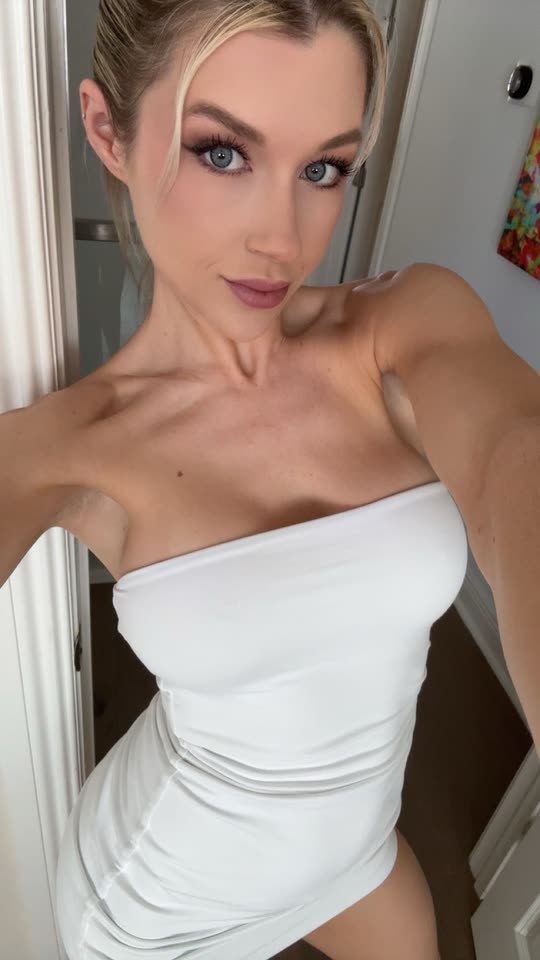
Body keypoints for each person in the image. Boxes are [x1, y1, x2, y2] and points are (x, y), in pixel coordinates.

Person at [1, 1, 539, 959]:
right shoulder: (68, 445)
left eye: (323, 169)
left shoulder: (405, 325)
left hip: (358, 854)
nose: (284, 240)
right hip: (159, 906)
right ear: (108, 132)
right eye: (223, 153)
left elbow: (517, 456)